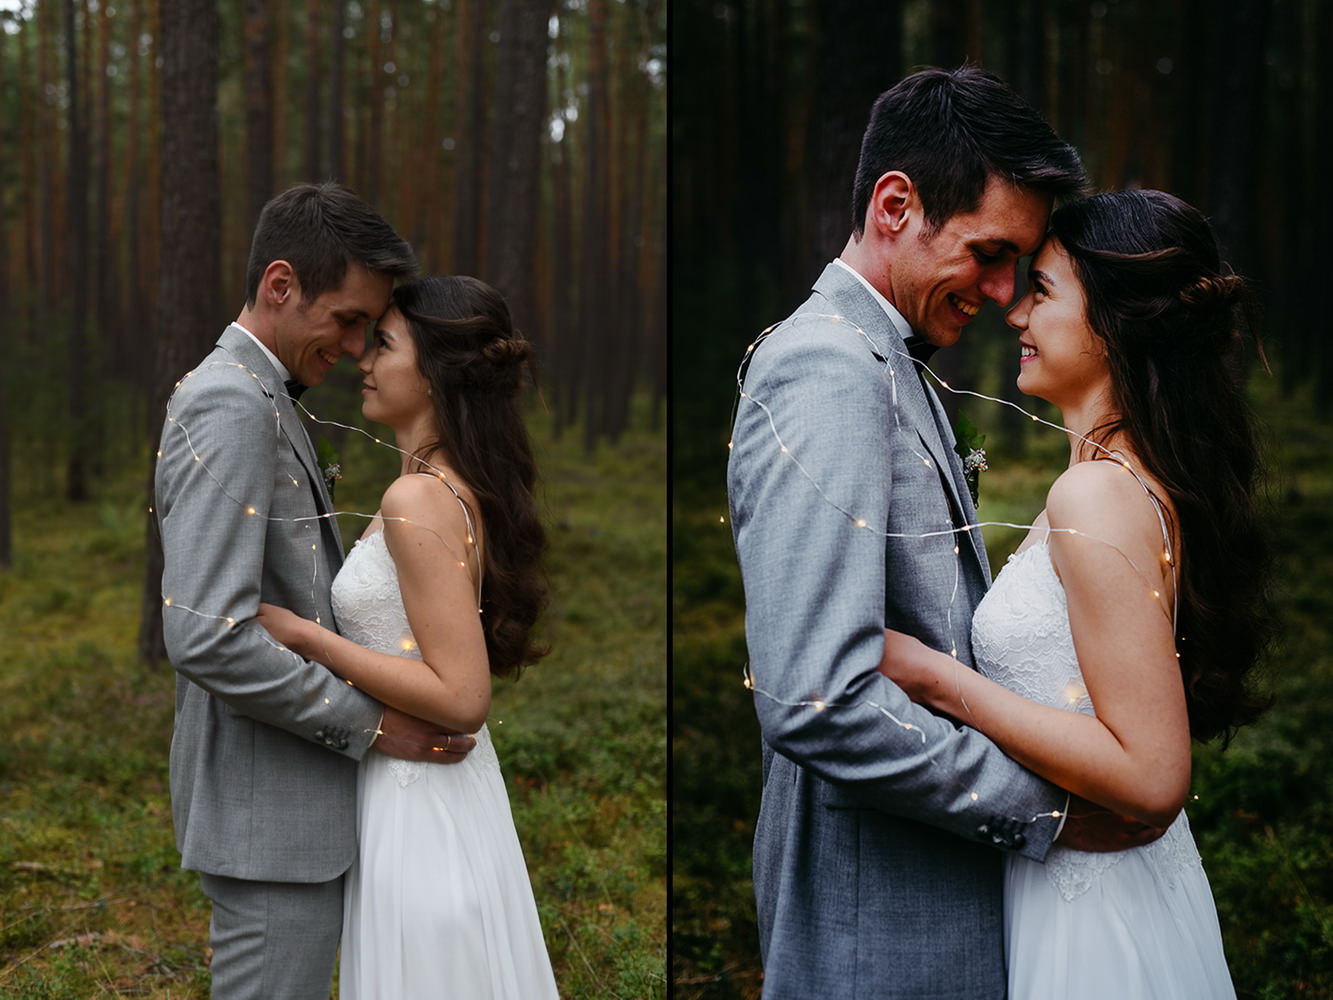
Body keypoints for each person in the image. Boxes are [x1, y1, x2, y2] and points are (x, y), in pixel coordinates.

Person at [726, 67, 1151, 999]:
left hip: (935, 889)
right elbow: (816, 697)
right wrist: (1042, 810)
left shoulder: (889, 358)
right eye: (989, 253)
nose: (1004, 293)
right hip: (876, 913)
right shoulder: (826, 370)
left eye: (1022, 265)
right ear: (894, 204)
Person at [880, 189, 1270, 997]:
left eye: (1044, 291)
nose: (1015, 313)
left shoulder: (1095, 497)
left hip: (1096, 919)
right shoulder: (1122, 477)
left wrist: (937, 680)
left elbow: (1154, 776)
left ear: (1114, 323)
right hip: (1098, 883)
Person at [155, 182, 477, 1000]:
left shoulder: (268, 399)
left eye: (370, 328)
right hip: (270, 818)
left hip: (300, 809)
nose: (356, 345)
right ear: (280, 285)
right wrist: (369, 725)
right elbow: (206, 635)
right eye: (346, 319)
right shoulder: (230, 403)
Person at [255, 274, 559, 997]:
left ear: (435, 373)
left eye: (383, 343)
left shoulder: (417, 498)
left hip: (419, 801)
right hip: (438, 790)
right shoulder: (447, 482)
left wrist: (307, 637)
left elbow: (461, 696)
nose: (360, 356)